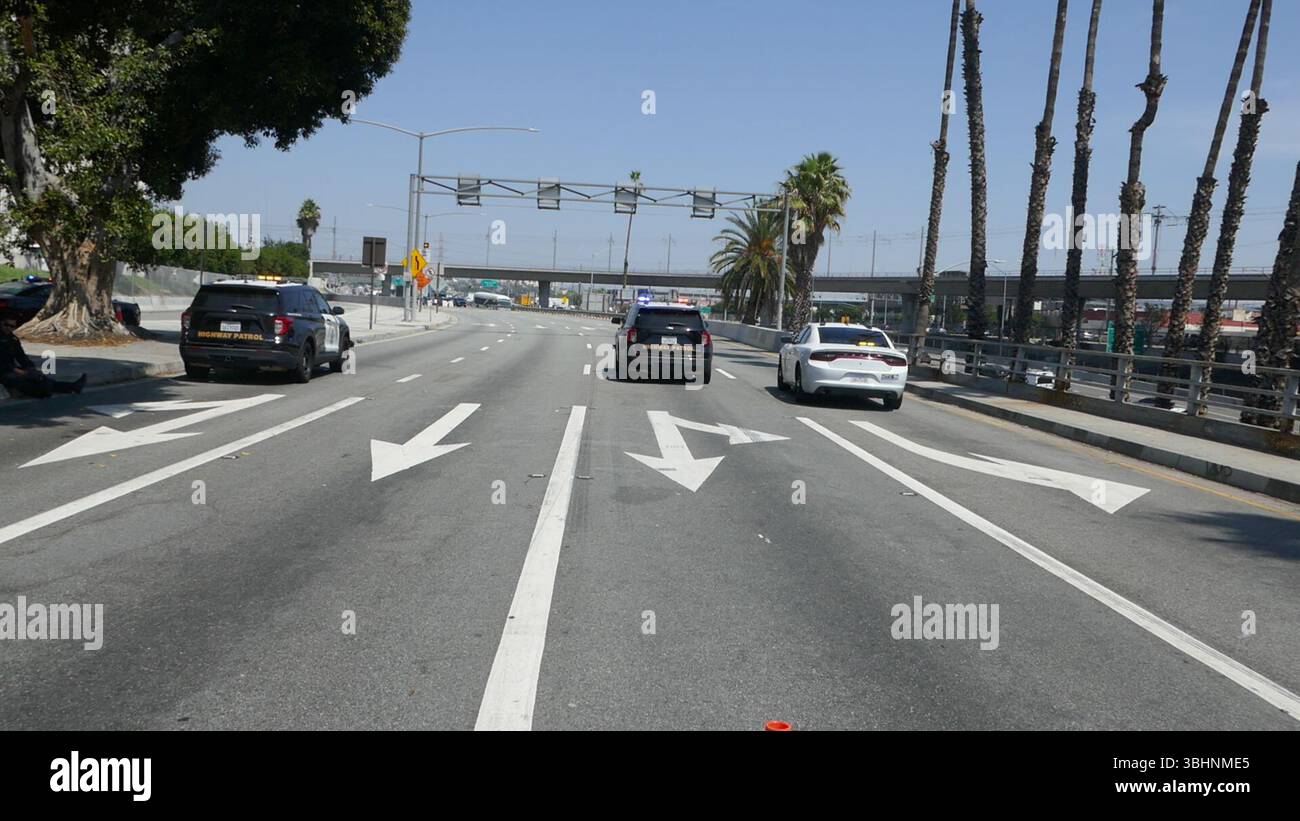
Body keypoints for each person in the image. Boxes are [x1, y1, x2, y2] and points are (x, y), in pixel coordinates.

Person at [0, 316, 86, 398]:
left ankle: (72, 387)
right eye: (6, 325)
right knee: (17, 380)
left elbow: (21, 356)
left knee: (39, 377)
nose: (9, 328)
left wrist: (30, 367)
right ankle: (41, 392)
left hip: (12, 368)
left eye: (12, 326)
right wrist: (17, 371)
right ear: (1, 323)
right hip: (4, 371)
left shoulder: (12, 339)